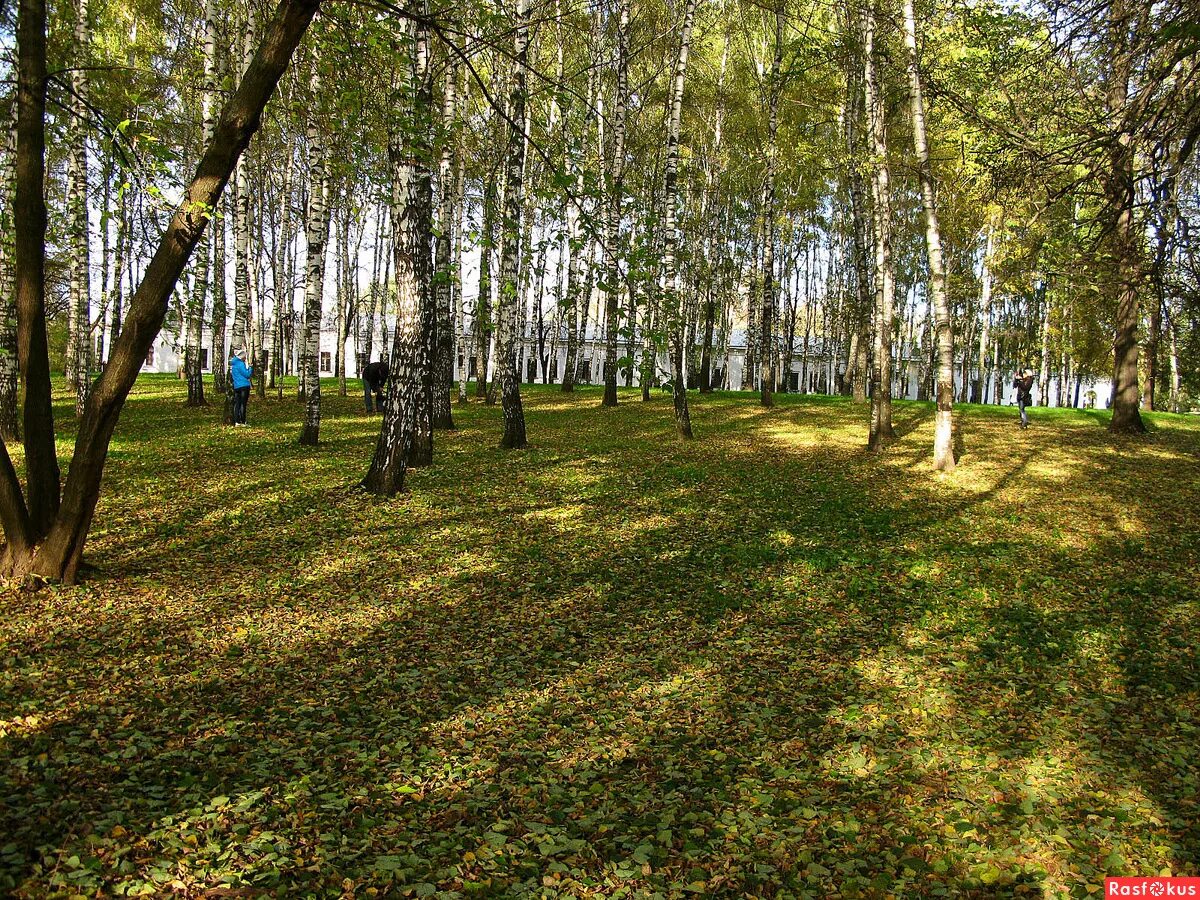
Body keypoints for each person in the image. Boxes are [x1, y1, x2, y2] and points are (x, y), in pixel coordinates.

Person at [230, 348, 253, 426]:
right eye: (244, 357)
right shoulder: (241, 364)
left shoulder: (233, 365)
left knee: (237, 404)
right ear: (242, 357)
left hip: (236, 386)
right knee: (243, 404)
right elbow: (247, 374)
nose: (245, 358)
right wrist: (250, 368)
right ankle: (243, 421)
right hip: (244, 386)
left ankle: (237, 421)